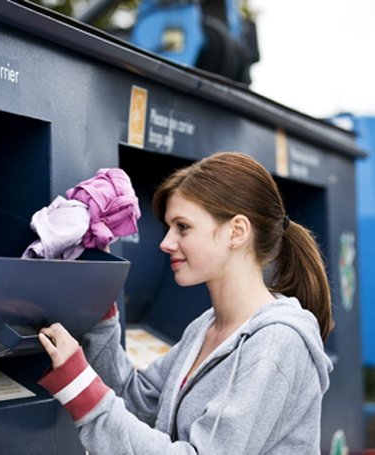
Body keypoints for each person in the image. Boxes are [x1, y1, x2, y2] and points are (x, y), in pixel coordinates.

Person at [38, 151, 334, 454]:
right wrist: (100, 304)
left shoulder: (276, 344)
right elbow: (135, 401)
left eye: (183, 227)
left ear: (237, 232)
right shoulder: (205, 329)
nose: (166, 243)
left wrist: (82, 391)